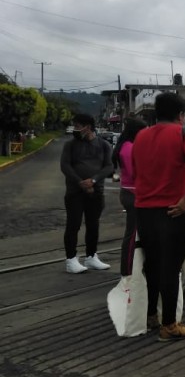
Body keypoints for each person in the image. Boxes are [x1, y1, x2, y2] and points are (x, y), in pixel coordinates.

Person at [132, 92, 185, 341]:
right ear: (181, 115)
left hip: (144, 210)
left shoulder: (141, 136)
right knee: (171, 268)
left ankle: (151, 315)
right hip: (175, 211)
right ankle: (169, 326)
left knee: (151, 265)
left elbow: (135, 168)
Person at [60, 113, 114, 274]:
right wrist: (81, 182)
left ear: (88, 127)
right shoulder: (70, 145)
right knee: (73, 225)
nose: (75, 129)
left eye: (77, 126)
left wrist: (94, 180)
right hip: (75, 192)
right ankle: (71, 259)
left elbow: (109, 167)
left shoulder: (103, 145)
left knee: (93, 225)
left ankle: (91, 256)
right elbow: (65, 166)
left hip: (96, 191)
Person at [111, 116, 147, 275]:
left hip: (131, 192)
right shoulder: (128, 148)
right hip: (132, 193)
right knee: (131, 235)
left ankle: (135, 268)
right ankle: (126, 271)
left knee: (136, 233)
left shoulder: (128, 145)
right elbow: (135, 174)